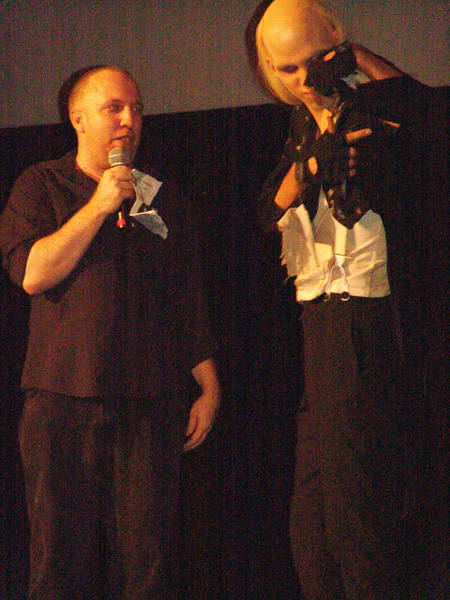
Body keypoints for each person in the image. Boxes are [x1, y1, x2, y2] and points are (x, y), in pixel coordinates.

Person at [0, 65, 220, 600]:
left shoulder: (160, 197)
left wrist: (209, 385)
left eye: (137, 109)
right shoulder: (41, 184)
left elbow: (185, 302)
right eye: (114, 108)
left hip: (149, 404)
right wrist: (99, 204)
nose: (129, 120)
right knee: (59, 558)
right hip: (62, 401)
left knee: (148, 561)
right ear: (77, 118)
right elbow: (33, 274)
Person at [245, 1, 435, 599]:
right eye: (287, 69)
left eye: (315, 61)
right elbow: (268, 211)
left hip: (364, 316)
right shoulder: (303, 128)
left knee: (355, 510)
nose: (304, 80)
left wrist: (360, 61)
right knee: (313, 520)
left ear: (336, 40)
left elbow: (431, 117)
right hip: (322, 318)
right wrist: (307, 166)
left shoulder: (373, 108)